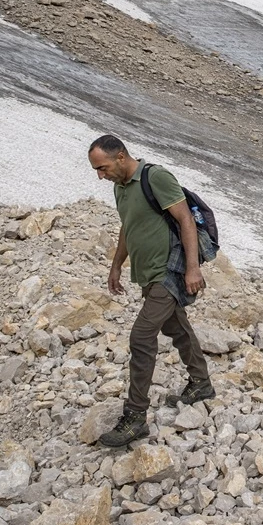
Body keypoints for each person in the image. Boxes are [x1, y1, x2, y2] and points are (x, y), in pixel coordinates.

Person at [87, 135, 215, 447]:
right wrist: (117, 264)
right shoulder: (121, 188)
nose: (100, 176)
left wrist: (193, 268)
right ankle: (201, 383)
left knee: (141, 337)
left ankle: (135, 418)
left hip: (169, 269)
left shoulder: (154, 177)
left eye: (102, 168)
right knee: (175, 326)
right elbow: (127, 227)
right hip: (147, 273)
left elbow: (184, 219)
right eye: (96, 171)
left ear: (120, 156)